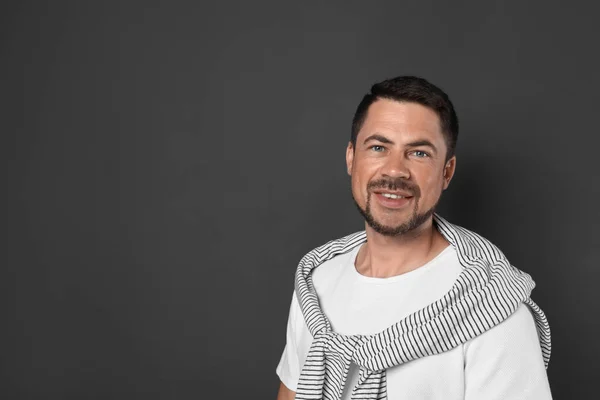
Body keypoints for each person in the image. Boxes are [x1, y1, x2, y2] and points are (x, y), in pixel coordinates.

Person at [275, 76, 552, 400]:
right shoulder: (316, 283)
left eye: (418, 153)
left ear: (446, 172)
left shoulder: (492, 308)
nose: (395, 171)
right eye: (378, 147)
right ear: (352, 158)